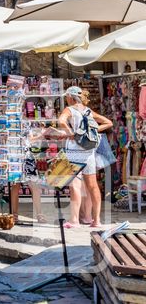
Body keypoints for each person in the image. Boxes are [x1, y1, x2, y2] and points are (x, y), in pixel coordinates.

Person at [56, 85, 113, 228]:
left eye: (67, 97)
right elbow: (109, 123)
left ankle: (74, 220)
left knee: (75, 185)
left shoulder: (69, 109)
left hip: (75, 151)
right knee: (93, 186)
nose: (66, 99)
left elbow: (61, 121)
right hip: (89, 152)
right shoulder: (88, 110)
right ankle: (96, 220)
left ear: (70, 97)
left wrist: (70, 133)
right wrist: (92, 132)